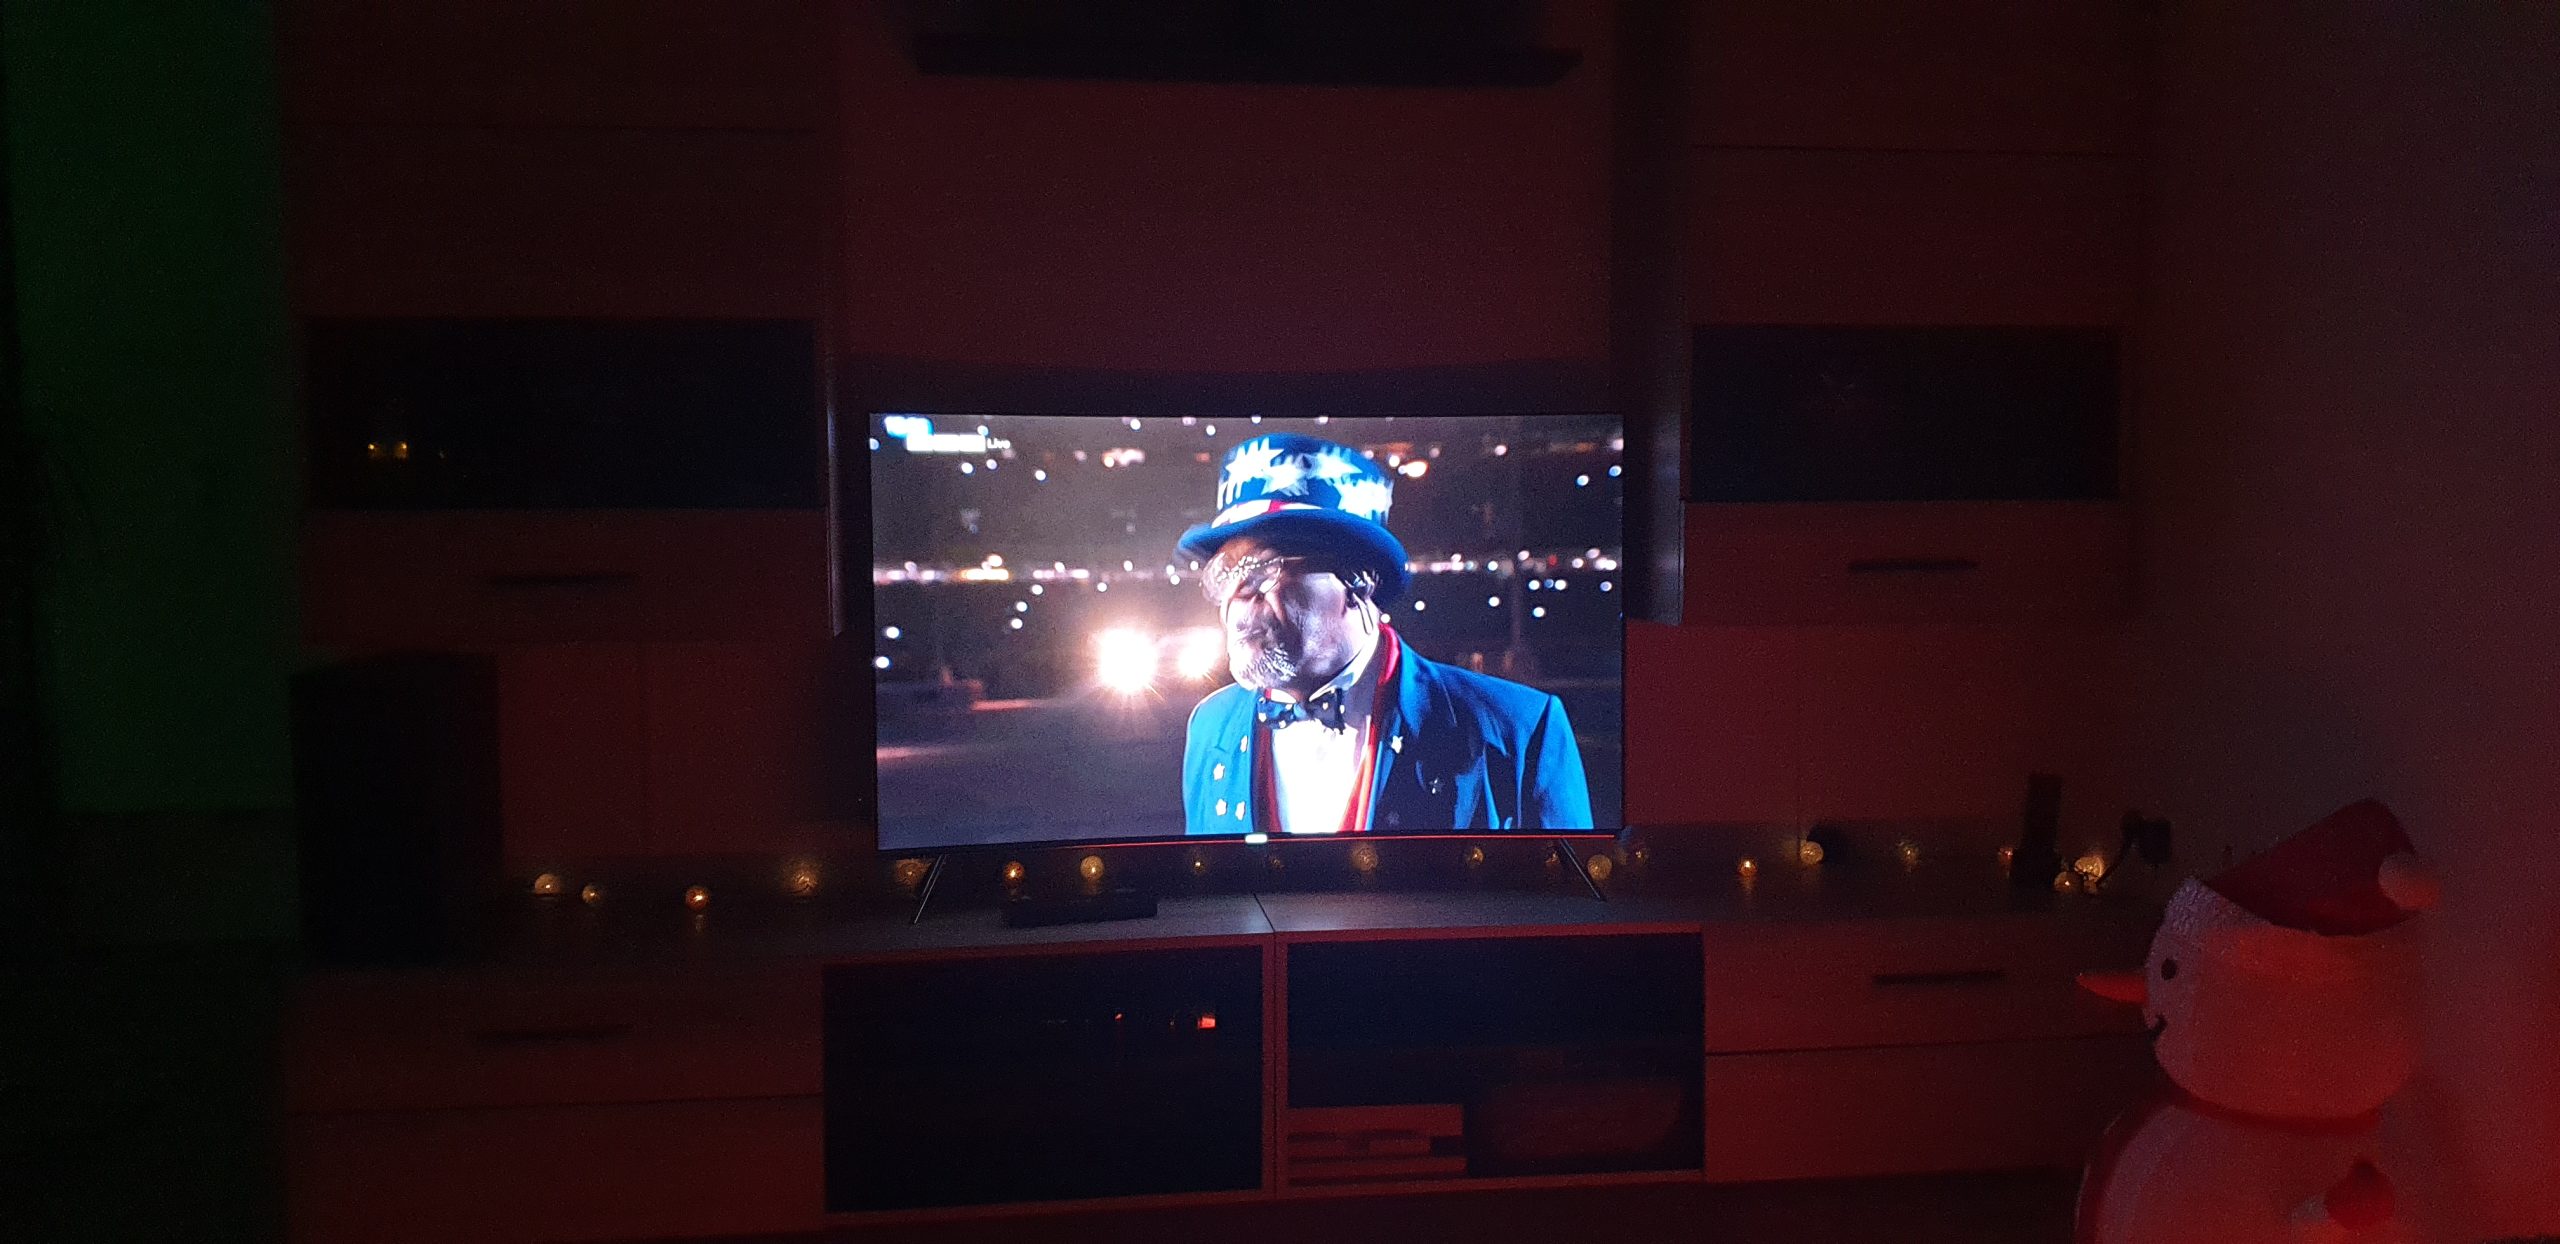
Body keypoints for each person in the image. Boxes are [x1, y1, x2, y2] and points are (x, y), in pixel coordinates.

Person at [1175, 433, 1592, 836]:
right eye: (1224, 575)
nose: (1236, 597)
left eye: (1262, 569)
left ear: (1360, 579)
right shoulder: (1210, 727)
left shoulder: (1519, 731)